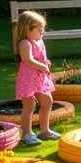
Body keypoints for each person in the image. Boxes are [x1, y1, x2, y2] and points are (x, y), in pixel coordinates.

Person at [14, 11, 60, 145]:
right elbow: (28, 60)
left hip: (40, 78)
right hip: (28, 78)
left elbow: (40, 56)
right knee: (29, 105)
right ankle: (28, 134)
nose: (42, 32)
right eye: (39, 30)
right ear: (27, 29)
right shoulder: (25, 43)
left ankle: (44, 130)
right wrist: (43, 66)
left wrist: (46, 62)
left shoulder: (39, 41)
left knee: (47, 102)